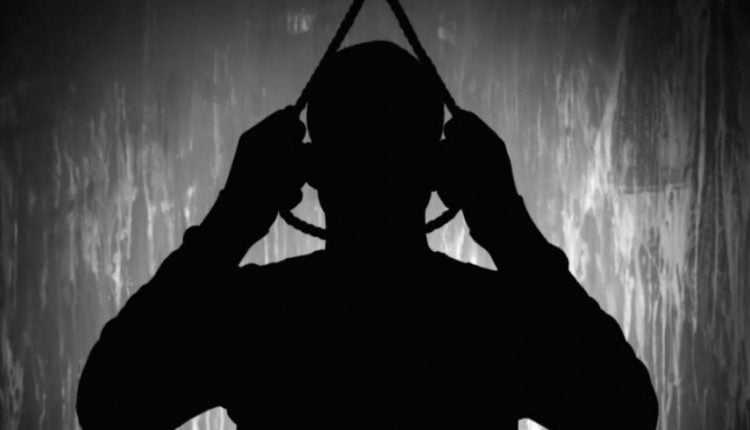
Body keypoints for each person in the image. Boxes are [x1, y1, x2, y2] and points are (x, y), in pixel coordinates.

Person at [76, 41, 658, 429]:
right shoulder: (492, 319)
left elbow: (108, 404)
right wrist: (506, 223)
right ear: (436, 172)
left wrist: (232, 219)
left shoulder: (258, 316)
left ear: (314, 170)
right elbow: (626, 413)